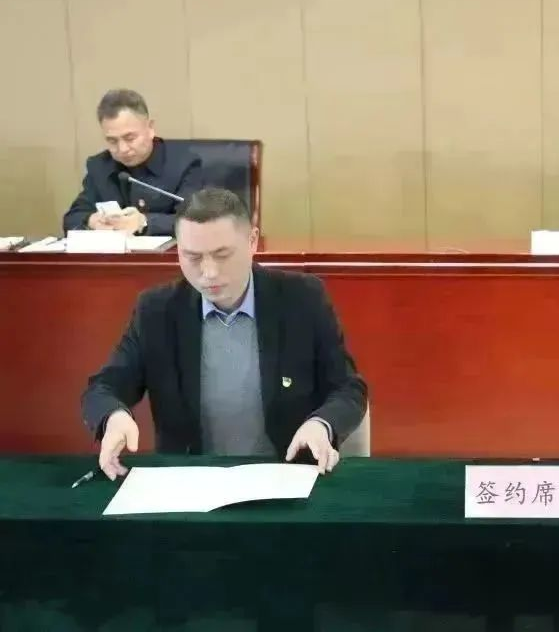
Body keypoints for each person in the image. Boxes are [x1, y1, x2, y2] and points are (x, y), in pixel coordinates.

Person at [80, 187, 367, 477]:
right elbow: (104, 387)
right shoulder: (157, 310)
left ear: (252, 241)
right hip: (191, 479)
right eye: (193, 257)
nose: (209, 272)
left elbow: (348, 388)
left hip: (286, 474)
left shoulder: (301, 298)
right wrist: (113, 417)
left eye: (222, 255)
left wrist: (321, 424)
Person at [62, 89, 204, 235]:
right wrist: (91, 221)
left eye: (130, 138)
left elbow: (195, 221)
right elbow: (72, 218)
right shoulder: (100, 166)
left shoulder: (184, 164)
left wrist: (144, 222)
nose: (122, 149)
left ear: (150, 128)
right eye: (112, 141)